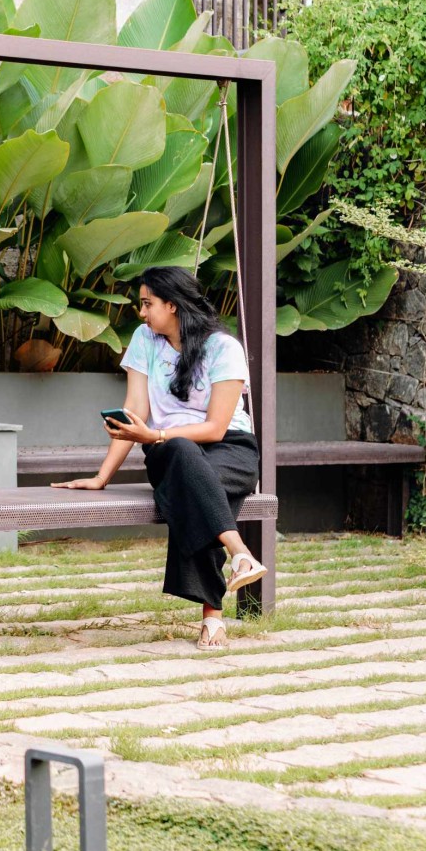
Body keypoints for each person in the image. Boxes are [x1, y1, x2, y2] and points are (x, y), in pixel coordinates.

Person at [55, 265, 267, 650]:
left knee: (195, 482)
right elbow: (134, 408)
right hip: (168, 451)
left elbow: (217, 428)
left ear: (172, 305)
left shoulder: (225, 348)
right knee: (184, 459)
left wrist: (157, 433)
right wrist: (103, 476)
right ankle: (239, 557)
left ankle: (214, 616)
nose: (141, 312)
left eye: (147, 304)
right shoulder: (144, 339)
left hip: (230, 450)